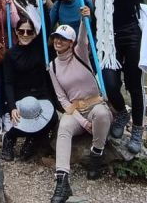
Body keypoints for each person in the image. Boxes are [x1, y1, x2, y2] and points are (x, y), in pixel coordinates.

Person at [90, 0, 147, 154]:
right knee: (109, 84)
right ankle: (121, 113)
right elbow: (100, 15)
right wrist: (89, 13)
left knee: (134, 84)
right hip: (108, 41)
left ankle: (137, 129)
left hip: (131, 35)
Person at [48, 18, 112, 203]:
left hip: (94, 104)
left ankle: (96, 154)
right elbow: (62, 98)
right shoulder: (52, 66)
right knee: (64, 129)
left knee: (101, 114)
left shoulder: (80, 54)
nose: (58, 41)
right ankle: (62, 180)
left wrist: (84, 19)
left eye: (63, 39)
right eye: (56, 38)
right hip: (75, 110)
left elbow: (84, 39)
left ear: (71, 43)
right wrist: (82, 122)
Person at [1, 15, 56, 162]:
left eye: (29, 32)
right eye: (21, 31)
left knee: (52, 119)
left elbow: (46, 23)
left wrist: (43, 1)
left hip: (41, 92)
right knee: (20, 118)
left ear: (34, 33)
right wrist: (12, 106)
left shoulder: (40, 47)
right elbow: (8, 82)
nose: (25, 35)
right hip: (21, 94)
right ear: (16, 32)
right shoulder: (10, 54)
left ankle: (32, 139)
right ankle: (10, 137)